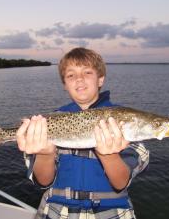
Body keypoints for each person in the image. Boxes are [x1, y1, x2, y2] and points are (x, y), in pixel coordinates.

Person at [16, 47, 149, 219]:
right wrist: (44, 154)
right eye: (71, 75)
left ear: (100, 79)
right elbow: (43, 181)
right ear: (65, 84)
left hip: (112, 213)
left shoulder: (124, 120)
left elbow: (121, 182)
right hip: (57, 212)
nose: (79, 78)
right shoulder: (48, 122)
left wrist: (109, 156)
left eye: (87, 72)